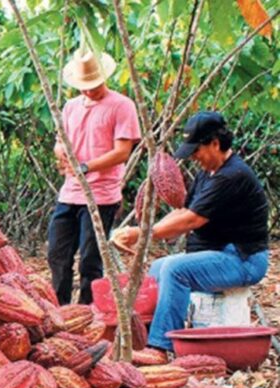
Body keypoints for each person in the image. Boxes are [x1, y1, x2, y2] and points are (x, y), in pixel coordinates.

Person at [113, 111, 269, 352]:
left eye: (196, 150)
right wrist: (144, 231)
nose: (194, 157)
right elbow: (184, 210)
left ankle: (160, 347)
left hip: (243, 259)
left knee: (176, 270)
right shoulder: (207, 173)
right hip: (220, 254)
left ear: (215, 144)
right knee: (158, 268)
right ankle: (142, 337)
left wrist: (142, 235)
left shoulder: (232, 176)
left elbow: (192, 219)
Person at [47, 49, 141, 305]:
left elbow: (122, 152)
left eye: (93, 85)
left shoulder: (122, 105)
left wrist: (86, 167)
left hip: (102, 194)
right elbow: (59, 141)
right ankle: (60, 309)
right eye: (83, 86)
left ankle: (88, 312)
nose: (88, 91)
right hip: (70, 193)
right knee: (57, 254)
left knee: (90, 260)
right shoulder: (70, 107)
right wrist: (61, 153)